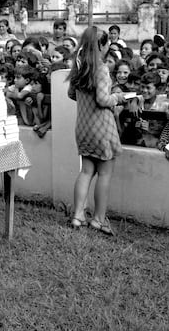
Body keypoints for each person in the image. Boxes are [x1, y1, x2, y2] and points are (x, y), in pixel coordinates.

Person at [67, 27, 125, 235]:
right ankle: (99, 219)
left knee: (86, 171)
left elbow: (71, 94)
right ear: (101, 45)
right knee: (104, 174)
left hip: (83, 126)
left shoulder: (79, 67)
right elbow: (103, 99)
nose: (109, 45)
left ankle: (78, 215)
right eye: (107, 42)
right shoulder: (100, 68)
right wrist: (118, 98)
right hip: (102, 127)